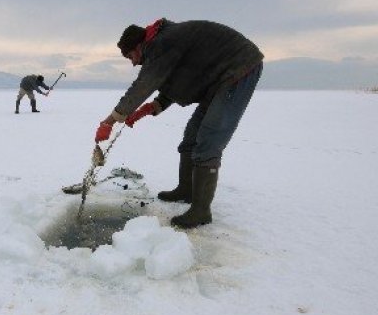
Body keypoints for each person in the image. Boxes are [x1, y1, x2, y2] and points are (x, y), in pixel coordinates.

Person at [94, 18, 263, 229]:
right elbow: (182, 79)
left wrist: (110, 121)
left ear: (139, 46)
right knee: (192, 136)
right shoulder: (164, 43)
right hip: (217, 80)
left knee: (209, 141)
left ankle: (201, 211)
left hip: (239, 70)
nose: (133, 62)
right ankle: (187, 190)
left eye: (130, 56)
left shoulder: (162, 43)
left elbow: (144, 84)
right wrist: (151, 107)